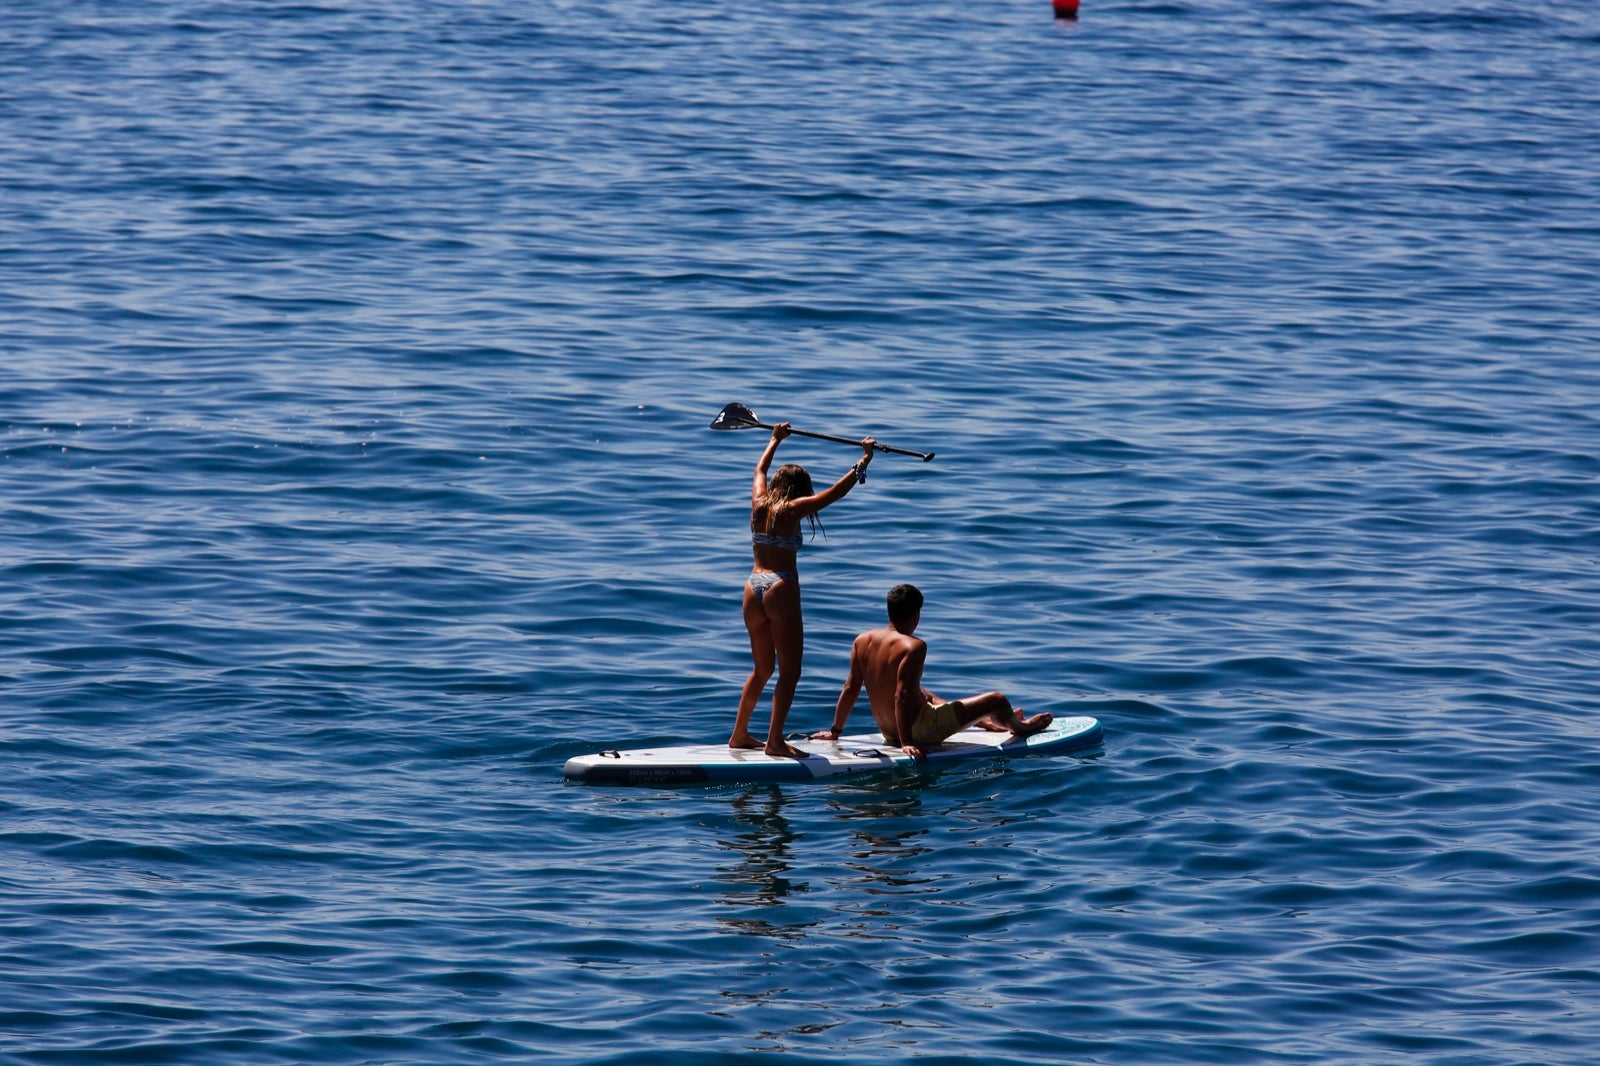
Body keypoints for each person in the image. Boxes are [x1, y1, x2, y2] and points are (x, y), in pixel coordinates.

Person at [729, 422, 877, 758]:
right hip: (780, 586)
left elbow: (759, 469)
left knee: (762, 669)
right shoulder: (792, 509)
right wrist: (863, 461)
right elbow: (833, 495)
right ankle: (774, 741)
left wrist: (774, 440)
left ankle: (739, 734)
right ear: (799, 489)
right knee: (790, 673)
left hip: (753, 588)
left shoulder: (758, 504)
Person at [811, 583, 1053, 761]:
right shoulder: (914, 646)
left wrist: (835, 731)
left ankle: (988, 724)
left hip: (889, 730)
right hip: (919, 731)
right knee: (997, 700)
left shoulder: (862, 641)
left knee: (928, 695)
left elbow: (851, 687)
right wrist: (907, 742)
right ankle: (1021, 727)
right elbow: (901, 696)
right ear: (916, 614)